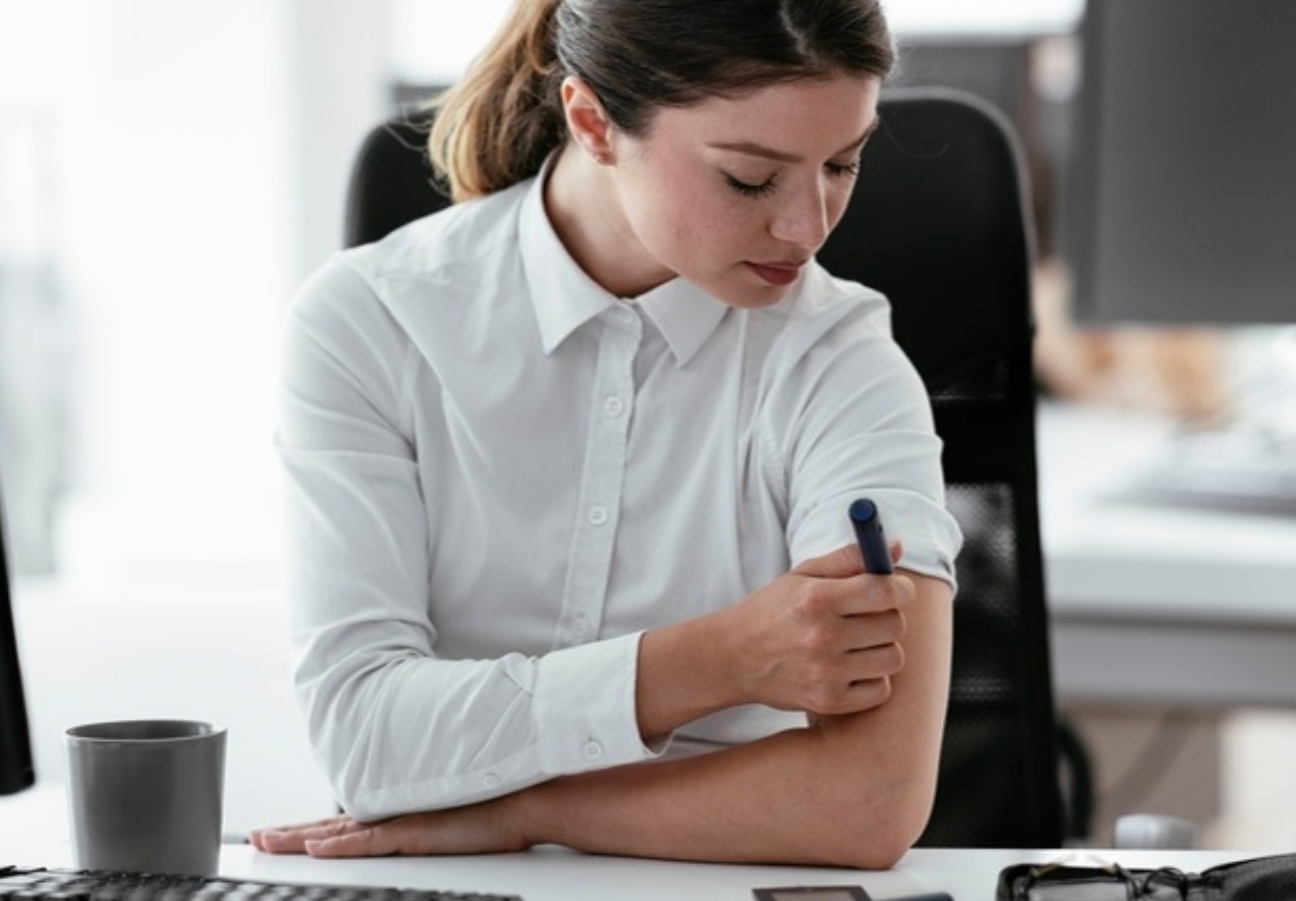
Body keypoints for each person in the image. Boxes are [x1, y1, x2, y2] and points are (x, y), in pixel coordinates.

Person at [247, 0, 961, 871]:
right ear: (592, 122)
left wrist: (526, 809)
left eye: (843, 163)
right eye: (749, 178)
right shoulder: (369, 320)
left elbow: (870, 802)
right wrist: (720, 658)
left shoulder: (840, 359)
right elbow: (366, 741)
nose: (807, 228)